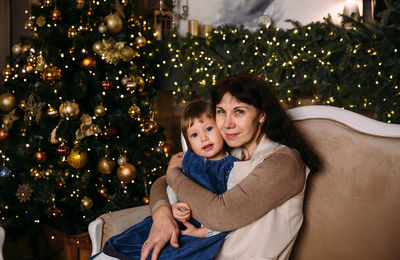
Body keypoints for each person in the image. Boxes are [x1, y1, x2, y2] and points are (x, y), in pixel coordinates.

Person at [141, 73, 320, 260]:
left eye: (239, 111)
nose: (227, 124)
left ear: (261, 115)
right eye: (221, 111)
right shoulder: (230, 153)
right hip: (203, 253)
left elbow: (220, 214)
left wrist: (174, 174)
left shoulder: (284, 161)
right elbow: (162, 183)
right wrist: (162, 215)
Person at [97, 100, 238, 259]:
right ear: (189, 142)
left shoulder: (231, 167)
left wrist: (203, 232)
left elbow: (231, 213)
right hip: (176, 220)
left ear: (221, 129)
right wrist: (172, 206)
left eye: (209, 129)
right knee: (134, 244)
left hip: (204, 229)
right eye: (195, 135)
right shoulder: (188, 160)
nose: (204, 138)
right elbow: (172, 185)